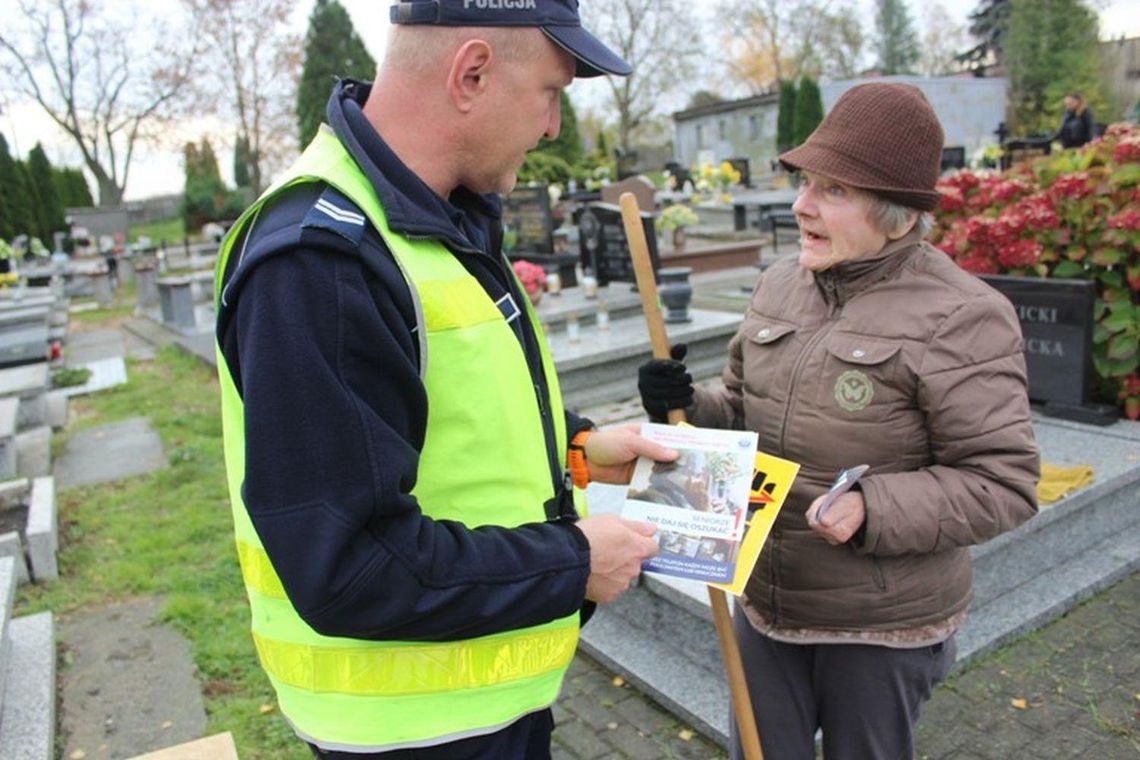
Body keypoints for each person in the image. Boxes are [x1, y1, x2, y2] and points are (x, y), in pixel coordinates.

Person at [213, 2, 676, 757]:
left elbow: (443, 417)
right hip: (414, 735)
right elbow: (349, 561)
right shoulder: (321, 264)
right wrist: (577, 562)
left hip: (482, 709)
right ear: (472, 73)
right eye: (552, 93)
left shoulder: (427, 220)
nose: (554, 126)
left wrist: (581, 448)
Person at [638, 83, 1040, 760]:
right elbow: (742, 409)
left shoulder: (963, 316)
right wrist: (685, 404)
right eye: (805, 184)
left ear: (898, 216)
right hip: (765, 605)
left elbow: (1004, 483)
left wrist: (873, 507)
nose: (801, 205)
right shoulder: (779, 284)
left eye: (833, 191)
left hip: (877, 632)